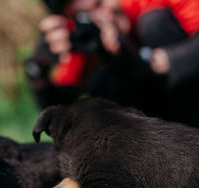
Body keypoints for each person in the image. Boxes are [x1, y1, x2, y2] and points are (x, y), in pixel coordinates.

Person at [26, 0, 199, 127]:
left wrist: (158, 62)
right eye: (86, 16)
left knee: (154, 23)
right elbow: (58, 108)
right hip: (161, 118)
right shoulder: (87, 36)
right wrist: (38, 70)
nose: (102, 17)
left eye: (100, 4)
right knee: (103, 78)